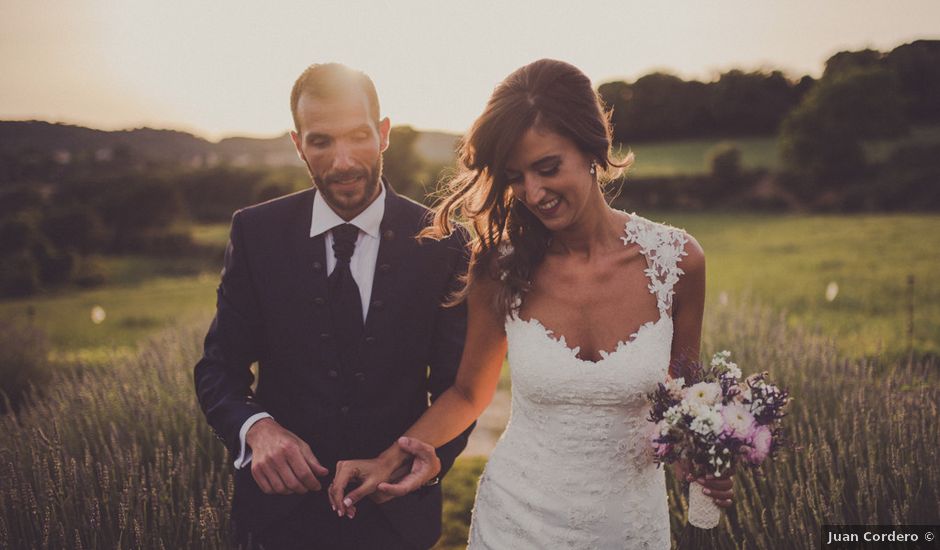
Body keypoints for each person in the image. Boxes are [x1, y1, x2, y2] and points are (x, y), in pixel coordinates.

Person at [328, 59, 735, 548]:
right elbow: (467, 394)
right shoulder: (499, 267)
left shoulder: (679, 262)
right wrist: (389, 459)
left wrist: (708, 462)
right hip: (516, 524)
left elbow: (688, 404)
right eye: (516, 177)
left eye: (547, 168)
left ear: (592, 148)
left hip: (629, 527)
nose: (533, 194)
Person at [193, 62, 473, 550]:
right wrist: (256, 430)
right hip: (278, 520)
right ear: (299, 144)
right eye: (321, 141)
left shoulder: (444, 242)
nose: (343, 161)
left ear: (383, 134)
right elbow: (219, 368)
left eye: (359, 137)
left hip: (397, 520)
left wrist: (420, 464)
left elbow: (457, 389)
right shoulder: (256, 233)